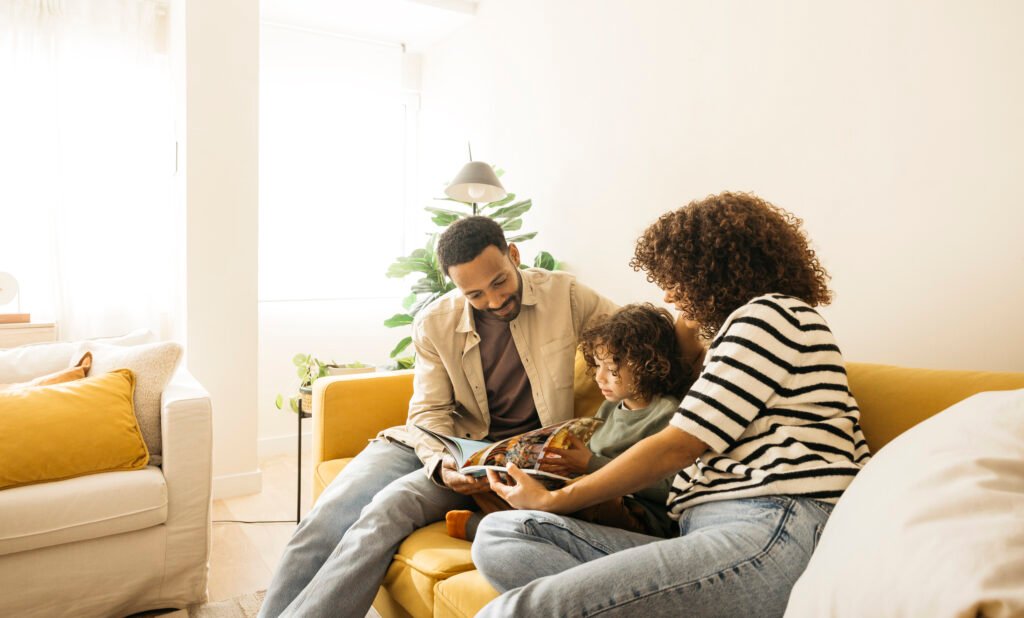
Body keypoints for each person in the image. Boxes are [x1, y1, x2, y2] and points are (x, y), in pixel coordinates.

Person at [471, 191, 872, 617]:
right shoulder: (737, 335)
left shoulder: (771, 316)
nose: (668, 293)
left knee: (518, 610)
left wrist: (557, 499)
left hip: (771, 525)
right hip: (700, 532)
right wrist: (699, 308)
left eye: (678, 277)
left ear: (713, 273)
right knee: (501, 535)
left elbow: (679, 444)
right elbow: (673, 363)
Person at [258, 216, 617, 618]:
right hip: (428, 444)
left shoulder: (566, 295)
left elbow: (634, 334)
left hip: (499, 459)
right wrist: (442, 464)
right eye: (476, 294)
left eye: (500, 282)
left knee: (386, 511)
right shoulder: (435, 323)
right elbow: (428, 413)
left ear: (514, 255)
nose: (494, 301)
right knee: (327, 516)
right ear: (456, 287)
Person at [445, 302, 692, 540]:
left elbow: (670, 487)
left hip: (636, 513)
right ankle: (515, 522)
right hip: (585, 491)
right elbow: (585, 460)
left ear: (646, 363)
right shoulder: (608, 409)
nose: (599, 377)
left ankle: (487, 526)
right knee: (500, 480)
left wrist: (590, 465)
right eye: (596, 366)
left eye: (610, 367)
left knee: (589, 496)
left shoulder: (667, 413)